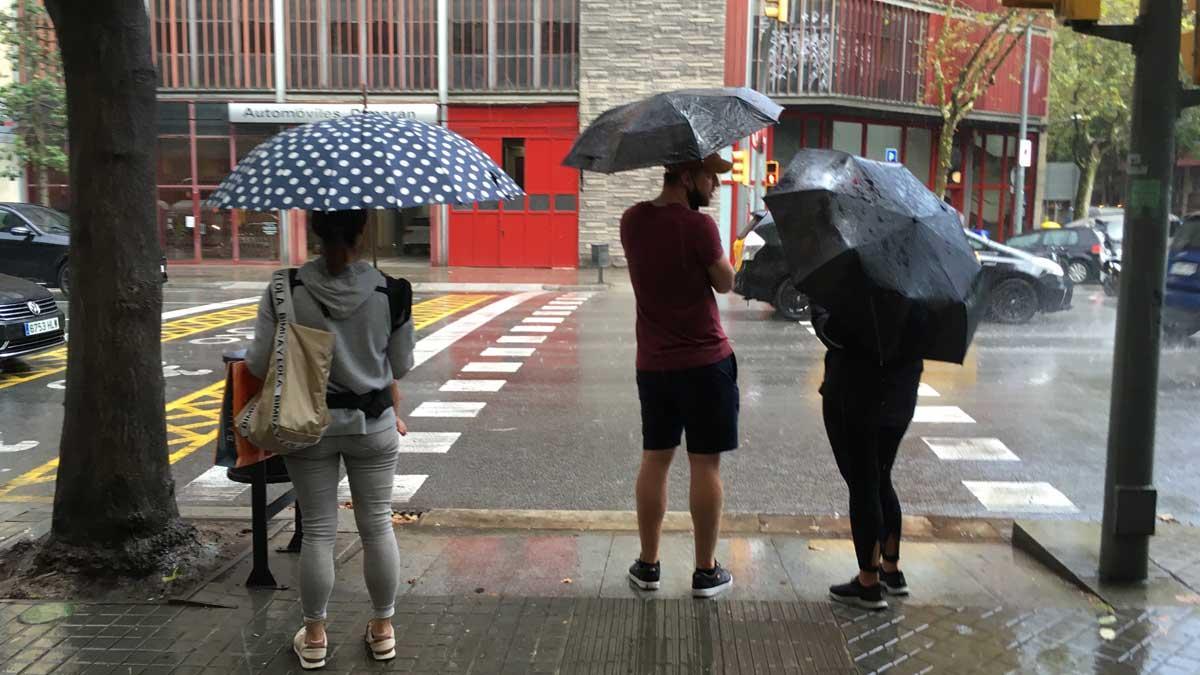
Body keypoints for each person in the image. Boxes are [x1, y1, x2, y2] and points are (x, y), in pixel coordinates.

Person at [245, 209, 415, 670]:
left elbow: (258, 363)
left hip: (307, 425)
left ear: (314, 232)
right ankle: (382, 630)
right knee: (377, 525)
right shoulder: (393, 290)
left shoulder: (284, 288)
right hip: (374, 425)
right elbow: (400, 366)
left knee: (318, 530)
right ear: (364, 232)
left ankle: (315, 636)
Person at [620, 153, 739, 599]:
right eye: (711, 178)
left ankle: (648, 565)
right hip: (707, 365)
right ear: (687, 176)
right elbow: (725, 282)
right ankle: (705, 572)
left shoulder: (631, 221)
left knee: (656, 459)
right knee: (704, 463)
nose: (716, 186)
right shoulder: (699, 228)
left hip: (654, 366)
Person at [813, 301, 923, 611]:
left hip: (854, 391)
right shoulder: (917, 281)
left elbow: (833, 331)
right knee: (881, 476)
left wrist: (820, 306)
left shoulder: (856, 277)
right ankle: (891, 570)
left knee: (863, 483)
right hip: (902, 391)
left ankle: (868, 583)